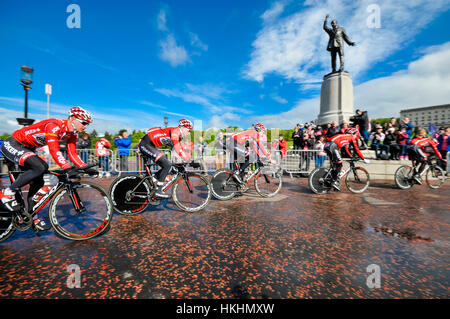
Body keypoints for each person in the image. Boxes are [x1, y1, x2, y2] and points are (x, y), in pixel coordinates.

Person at [0, 106, 97, 232]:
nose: (85, 127)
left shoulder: (72, 134)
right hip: (13, 144)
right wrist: (67, 167)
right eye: (84, 123)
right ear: (73, 119)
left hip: (27, 148)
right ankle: (7, 193)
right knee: (40, 167)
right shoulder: (54, 125)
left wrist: (84, 167)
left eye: (87, 124)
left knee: (38, 182)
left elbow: (72, 153)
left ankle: (32, 216)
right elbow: (54, 149)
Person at [138, 118, 194, 198]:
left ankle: (154, 178)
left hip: (151, 145)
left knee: (168, 164)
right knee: (167, 164)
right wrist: (187, 158)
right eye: (188, 130)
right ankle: (158, 190)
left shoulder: (179, 136)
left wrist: (183, 159)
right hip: (146, 144)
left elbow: (175, 149)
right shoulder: (176, 131)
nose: (189, 132)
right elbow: (177, 148)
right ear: (183, 127)